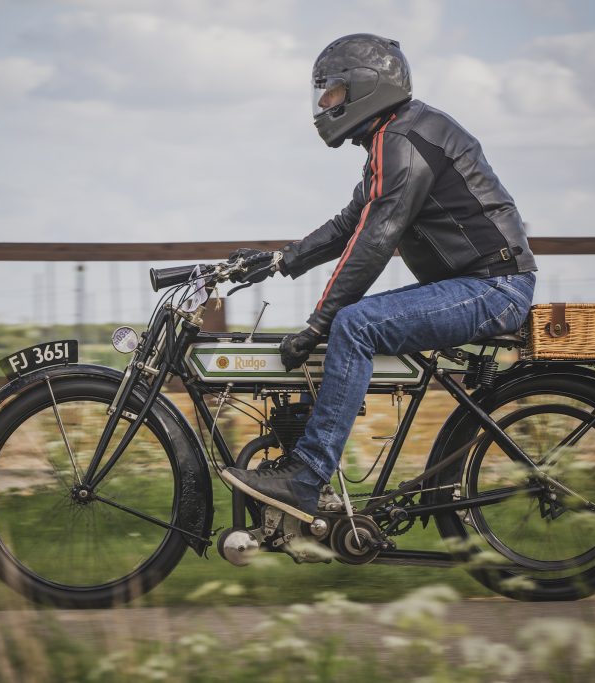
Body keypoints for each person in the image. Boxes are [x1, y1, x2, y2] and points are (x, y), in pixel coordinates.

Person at [219, 34, 537, 523]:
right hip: (467, 284)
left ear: (366, 87)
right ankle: (301, 463)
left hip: (493, 287)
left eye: (333, 92)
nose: (324, 104)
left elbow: (375, 240)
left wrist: (318, 322)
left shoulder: (404, 141)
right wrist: (281, 261)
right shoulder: (390, 138)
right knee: (347, 324)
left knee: (354, 325)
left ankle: (304, 481)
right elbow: (350, 223)